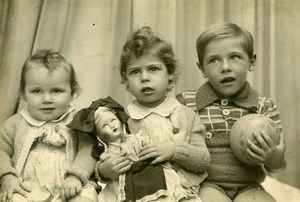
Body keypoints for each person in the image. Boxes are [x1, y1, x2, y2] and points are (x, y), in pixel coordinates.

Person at [96, 27, 210, 201]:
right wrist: (104, 170)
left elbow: (203, 160)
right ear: (126, 81)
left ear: (170, 74)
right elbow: (103, 153)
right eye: (135, 72)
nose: (144, 78)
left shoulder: (185, 115)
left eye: (153, 69)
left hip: (178, 191)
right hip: (135, 191)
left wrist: (175, 150)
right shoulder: (119, 117)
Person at [176, 22, 286, 202]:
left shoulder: (263, 106)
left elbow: (277, 166)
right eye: (214, 60)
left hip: (249, 184)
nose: (225, 67)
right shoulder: (187, 102)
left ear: (251, 61)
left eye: (234, 57)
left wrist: (274, 157)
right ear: (202, 69)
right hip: (206, 183)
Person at [0, 49, 97, 202]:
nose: (46, 99)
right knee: (12, 198)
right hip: (27, 188)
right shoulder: (16, 123)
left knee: (83, 199)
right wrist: (7, 175)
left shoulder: (78, 121)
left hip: (69, 188)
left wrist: (76, 176)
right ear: (24, 94)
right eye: (37, 91)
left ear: (73, 92)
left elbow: (88, 148)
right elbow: (1, 150)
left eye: (56, 91)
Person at [68, 96, 187, 202]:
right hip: (124, 177)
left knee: (164, 182)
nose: (111, 125)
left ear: (121, 122)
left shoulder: (135, 137)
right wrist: (103, 169)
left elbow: (149, 145)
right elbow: (97, 163)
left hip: (147, 169)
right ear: (99, 136)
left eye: (113, 120)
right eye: (104, 125)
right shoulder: (107, 151)